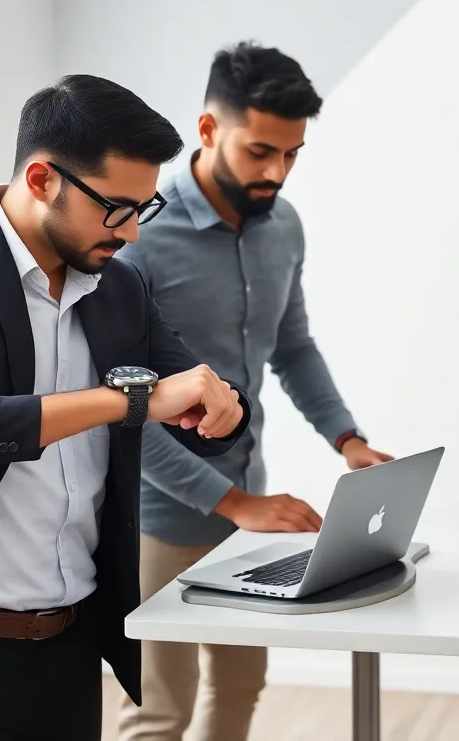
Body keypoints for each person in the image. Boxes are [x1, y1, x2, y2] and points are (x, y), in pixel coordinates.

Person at [0, 74, 252, 740]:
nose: (132, 234)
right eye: (117, 209)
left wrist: (221, 411)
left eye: (143, 210)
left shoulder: (119, 288)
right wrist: (122, 402)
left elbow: (195, 397)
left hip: (69, 648)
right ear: (41, 180)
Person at [113, 41, 393, 741]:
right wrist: (239, 505)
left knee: (239, 686)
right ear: (208, 131)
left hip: (246, 511)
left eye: (292, 154)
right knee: (157, 711)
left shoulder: (284, 227)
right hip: (154, 518)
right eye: (261, 151)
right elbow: (121, 410)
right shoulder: (136, 238)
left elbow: (291, 347)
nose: (277, 172)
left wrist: (347, 439)